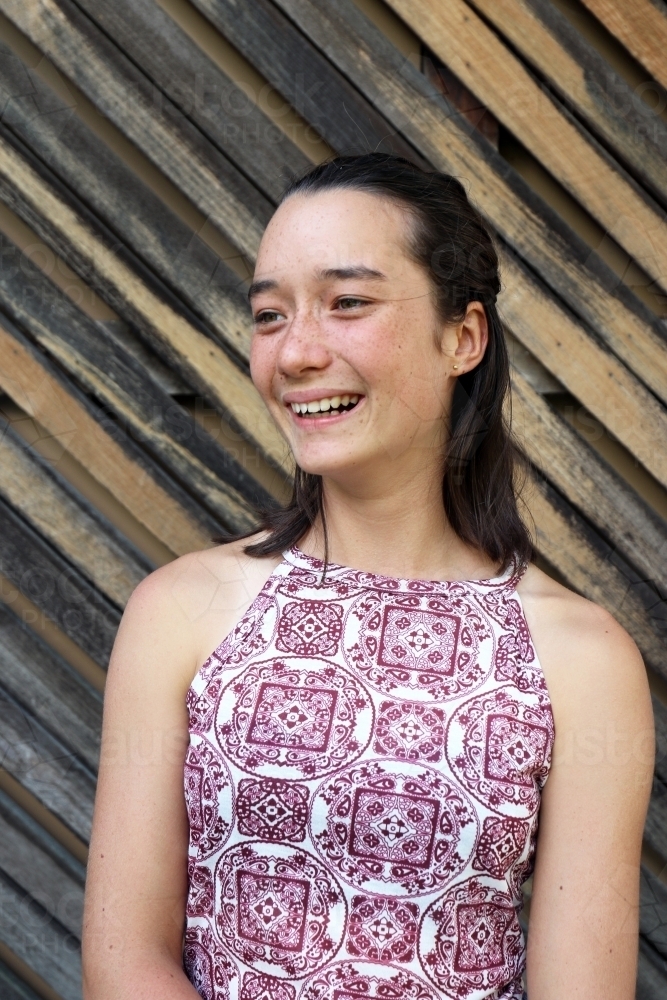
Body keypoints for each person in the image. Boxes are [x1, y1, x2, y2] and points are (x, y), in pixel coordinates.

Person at [82, 153, 654, 1000]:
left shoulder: (582, 659)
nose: (297, 353)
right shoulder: (181, 612)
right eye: (269, 315)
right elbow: (125, 962)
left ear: (463, 337)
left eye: (347, 302)